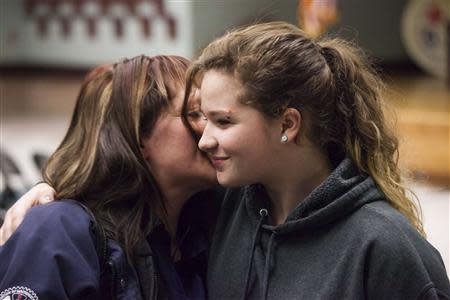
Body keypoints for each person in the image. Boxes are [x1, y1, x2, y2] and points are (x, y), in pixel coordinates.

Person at [184, 21, 449, 299]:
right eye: (204, 119)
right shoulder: (225, 208)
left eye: (223, 121)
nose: (205, 141)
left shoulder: (386, 247)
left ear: (287, 124)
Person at [0, 55, 220, 300]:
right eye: (193, 113)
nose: (212, 129)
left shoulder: (208, 224)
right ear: (136, 136)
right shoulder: (58, 229)